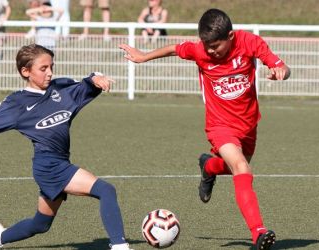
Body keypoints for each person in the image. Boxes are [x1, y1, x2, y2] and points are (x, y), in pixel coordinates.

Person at [0, 44, 133, 250]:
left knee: (40, 224)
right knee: (105, 190)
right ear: (25, 72)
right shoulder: (18, 103)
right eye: (43, 68)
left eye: (51, 67)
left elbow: (85, 83)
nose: (50, 72)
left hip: (58, 162)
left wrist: (96, 78)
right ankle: (119, 246)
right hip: (49, 166)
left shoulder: (59, 89)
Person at [119, 8, 290, 250]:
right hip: (219, 125)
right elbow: (174, 49)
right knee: (241, 167)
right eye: (206, 45)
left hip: (249, 124)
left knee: (234, 167)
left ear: (230, 36)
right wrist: (143, 56)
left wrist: (281, 72)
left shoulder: (249, 41)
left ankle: (208, 166)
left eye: (215, 46)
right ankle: (258, 232)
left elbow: (281, 65)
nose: (210, 50)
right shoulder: (199, 50)